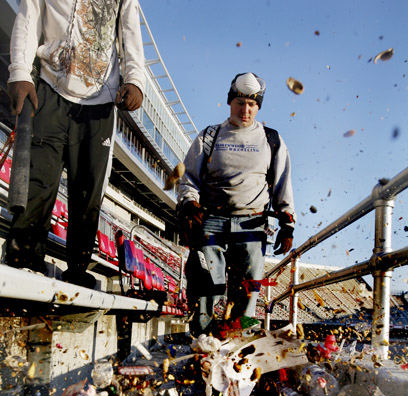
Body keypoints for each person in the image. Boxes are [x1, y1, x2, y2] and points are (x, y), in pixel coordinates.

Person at [4, 0, 145, 288]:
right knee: (38, 180)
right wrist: (19, 72)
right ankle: (23, 258)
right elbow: (28, 18)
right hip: (49, 88)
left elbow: (130, 33)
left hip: (100, 101)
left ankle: (77, 267)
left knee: (88, 190)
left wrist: (136, 80)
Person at [177, 72, 296, 337]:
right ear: (230, 102)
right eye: (240, 102)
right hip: (212, 219)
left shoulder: (271, 140)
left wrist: (287, 222)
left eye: (252, 104)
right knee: (204, 281)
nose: (246, 109)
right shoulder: (209, 136)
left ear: (258, 107)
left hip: (252, 222)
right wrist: (188, 204)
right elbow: (189, 179)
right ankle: (202, 340)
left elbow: (282, 183)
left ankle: (239, 339)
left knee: (248, 287)